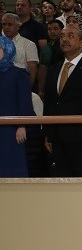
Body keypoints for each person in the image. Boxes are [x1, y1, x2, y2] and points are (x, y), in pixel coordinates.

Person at [42, 25, 82, 176]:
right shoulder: (53, 69)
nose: (64, 39)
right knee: (61, 182)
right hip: (57, 138)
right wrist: (48, 134)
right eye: (62, 36)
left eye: (70, 36)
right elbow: (50, 104)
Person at [0, 36, 34, 177]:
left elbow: (24, 101)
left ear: (7, 50)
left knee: (10, 166)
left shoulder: (19, 74)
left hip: (11, 130)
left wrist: (22, 125)